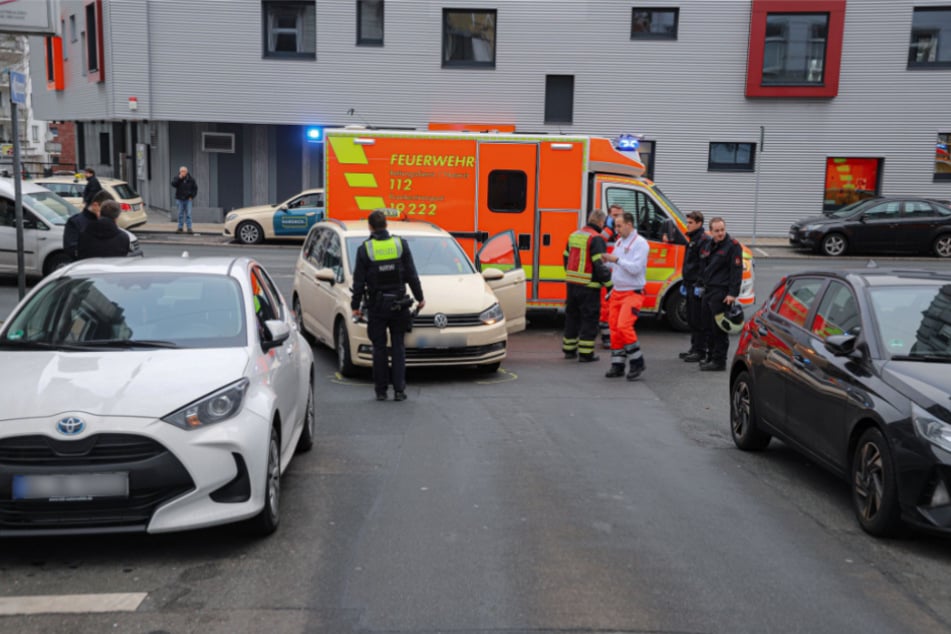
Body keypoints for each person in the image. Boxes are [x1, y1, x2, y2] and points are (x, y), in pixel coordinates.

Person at [351, 210, 425, 402]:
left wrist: (355, 306)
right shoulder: (400, 244)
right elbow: (411, 274)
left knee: (379, 348)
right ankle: (399, 391)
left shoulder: (365, 250)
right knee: (399, 347)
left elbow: (358, 282)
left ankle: (381, 391)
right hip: (399, 304)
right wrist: (420, 297)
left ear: (370, 227)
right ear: (386, 225)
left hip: (377, 306)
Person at [602, 211, 650, 380]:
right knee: (614, 329)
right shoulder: (620, 242)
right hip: (617, 291)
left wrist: (615, 260)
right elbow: (618, 266)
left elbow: (636, 268)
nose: (616, 229)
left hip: (632, 292)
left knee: (624, 326)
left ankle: (637, 362)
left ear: (629, 225)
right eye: (616, 226)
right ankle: (618, 365)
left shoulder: (641, 243)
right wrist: (607, 261)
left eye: (619, 226)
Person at [561, 209, 613, 362]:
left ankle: (569, 350)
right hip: (589, 286)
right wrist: (609, 284)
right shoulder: (596, 239)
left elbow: (565, 257)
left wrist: (572, 274)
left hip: (572, 284)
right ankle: (585, 353)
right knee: (589, 319)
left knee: (572, 317)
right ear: (601, 222)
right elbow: (599, 264)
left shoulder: (574, 235)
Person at [698, 216, 743, 372]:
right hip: (709, 290)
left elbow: (736, 272)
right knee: (708, 326)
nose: (720, 233)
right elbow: (704, 267)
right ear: (711, 232)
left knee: (719, 329)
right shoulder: (709, 245)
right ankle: (710, 357)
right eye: (717, 231)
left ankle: (719, 360)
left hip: (721, 292)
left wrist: (732, 293)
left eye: (722, 230)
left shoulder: (733, 246)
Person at [679, 210, 710, 362]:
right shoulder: (693, 239)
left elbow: (703, 266)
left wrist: (700, 284)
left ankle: (700, 350)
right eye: (688, 222)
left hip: (697, 286)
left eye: (690, 223)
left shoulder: (703, 240)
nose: (687, 225)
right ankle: (694, 347)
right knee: (691, 318)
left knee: (698, 319)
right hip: (690, 284)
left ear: (699, 223)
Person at [598, 204, 625, 348]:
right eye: (614, 215)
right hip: (607, 273)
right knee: (605, 307)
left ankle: (614, 335)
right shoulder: (606, 232)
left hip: (619, 274)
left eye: (619, 215)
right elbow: (599, 248)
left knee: (617, 307)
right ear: (609, 216)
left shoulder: (622, 233)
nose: (617, 218)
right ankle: (606, 337)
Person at [63, 189, 114, 261]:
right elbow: (71, 249)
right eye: (105, 209)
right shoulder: (75, 222)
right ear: (95, 205)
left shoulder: (105, 221)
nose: (107, 213)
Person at [170, 166, 198, 234]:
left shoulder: (191, 179)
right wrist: (179, 178)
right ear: (180, 172)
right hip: (179, 199)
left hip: (188, 199)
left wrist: (192, 196)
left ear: (187, 172)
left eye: (184, 171)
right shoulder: (177, 178)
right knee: (180, 214)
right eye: (181, 171)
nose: (183, 173)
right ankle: (180, 228)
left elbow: (195, 188)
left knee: (188, 214)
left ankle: (189, 228)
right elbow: (173, 184)